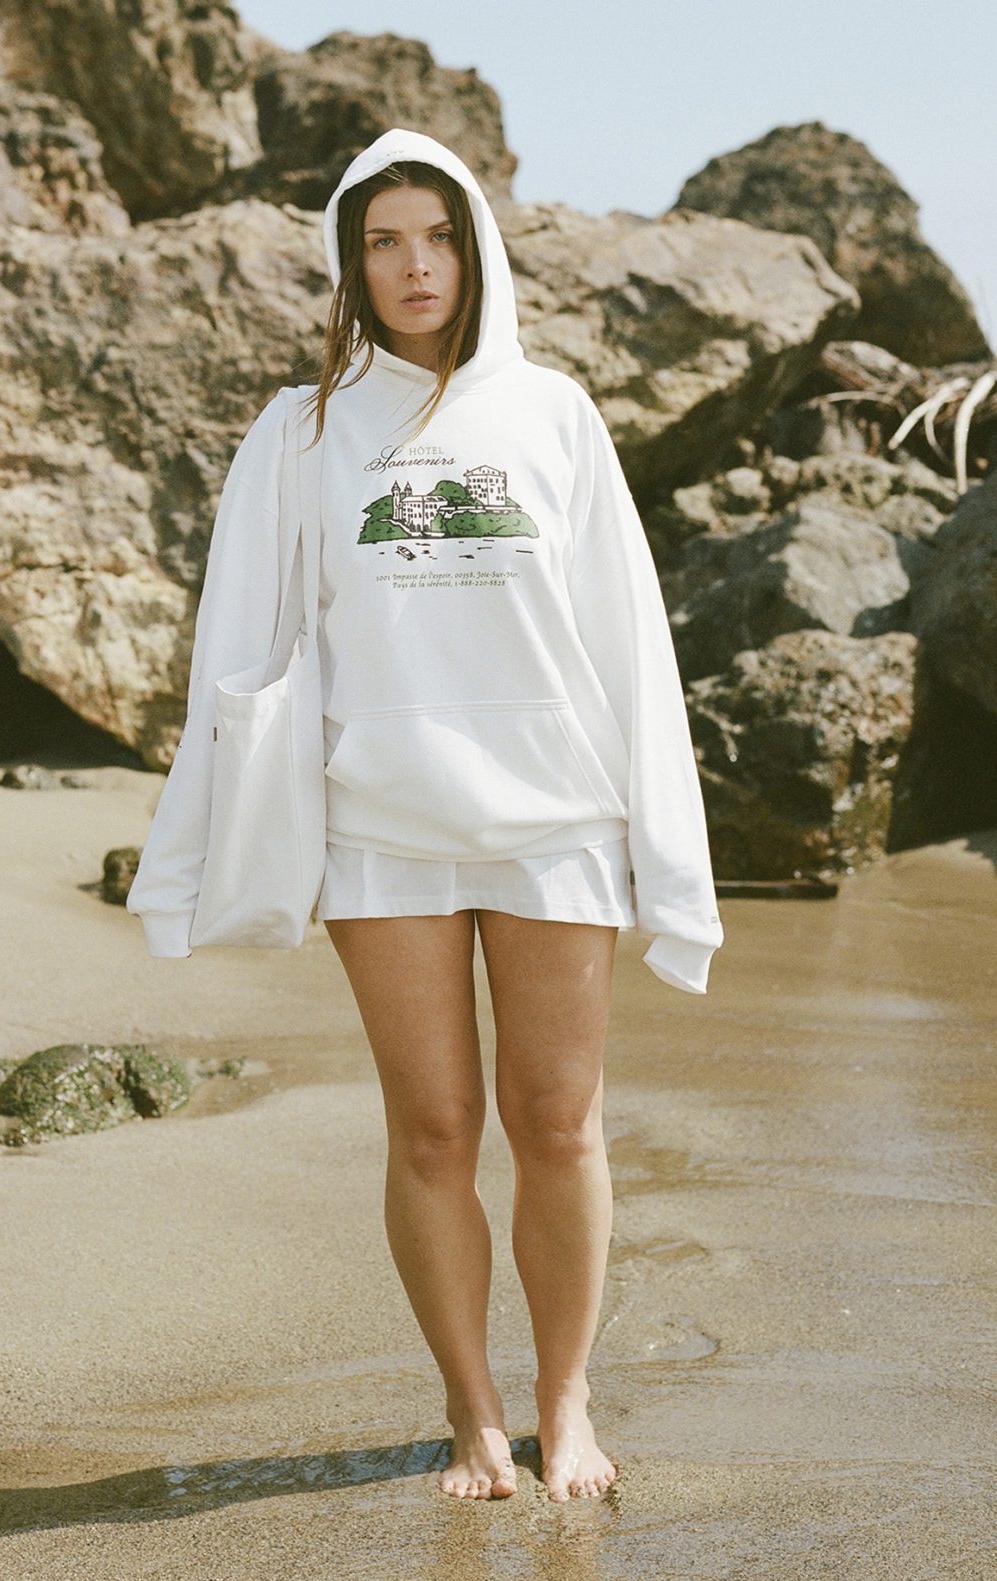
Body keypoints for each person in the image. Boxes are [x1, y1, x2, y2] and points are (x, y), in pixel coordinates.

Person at [126, 128, 724, 1503]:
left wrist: (665, 852)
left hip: (555, 820)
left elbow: (630, 641)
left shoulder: (555, 415)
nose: (414, 266)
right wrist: (198, 849)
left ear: (477, 252)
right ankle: (473, 1412)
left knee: (558, 1123)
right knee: (436, 1131)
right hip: (379, 825)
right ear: (351, 262)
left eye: (439, 237)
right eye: (384, 241)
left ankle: (567, 1400)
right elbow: (242, 645)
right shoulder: (303, 430)